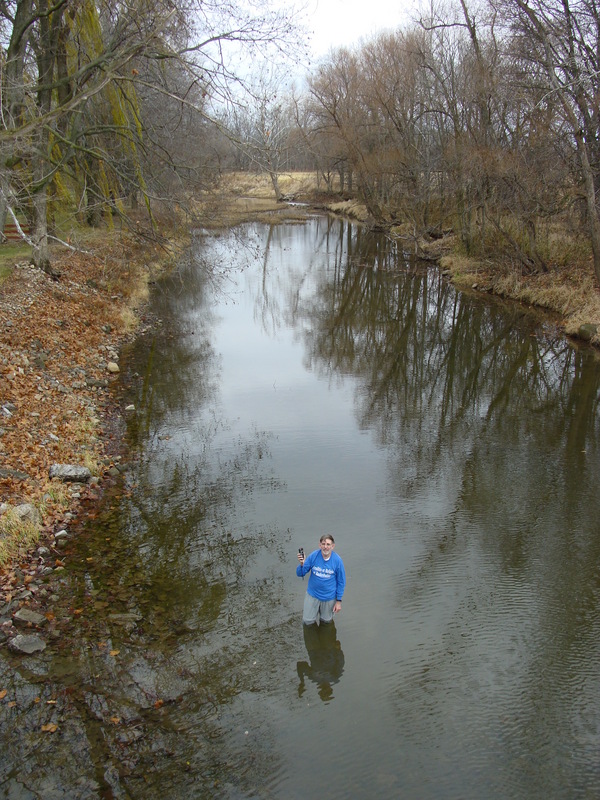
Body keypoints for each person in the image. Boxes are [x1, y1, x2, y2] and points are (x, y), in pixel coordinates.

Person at [296, 534, 346, 625]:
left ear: (332, 546)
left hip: (329, 598)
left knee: (326, 622)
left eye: (328, 544)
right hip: (312, 595)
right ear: (320, 545)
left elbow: (341, 582)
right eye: (323, 544)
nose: (325, 547)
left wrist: (338, 601)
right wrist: (302, 564)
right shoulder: (313, 556)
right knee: (307, 622)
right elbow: (300, 573)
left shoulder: (337, 561)